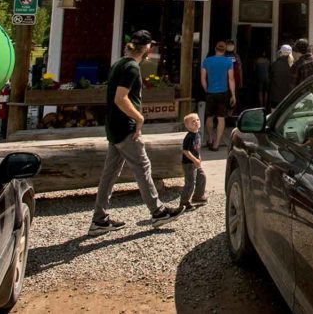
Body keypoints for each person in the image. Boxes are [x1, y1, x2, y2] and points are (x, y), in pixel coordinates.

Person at [89, 30, 183, 236]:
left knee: (110, 173)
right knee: (142, 167)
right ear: (147, 47)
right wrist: (139, 118)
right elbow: (120, 98)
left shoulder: (120, 63)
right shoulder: (131, 68)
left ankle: (99, 219)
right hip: (126, 127)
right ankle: (158, 212)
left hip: (114, 125)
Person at [201, 41, 236, 150]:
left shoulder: (207, 61)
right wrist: (233, 94)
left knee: (209, 117)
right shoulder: (228, 62)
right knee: (221, 118)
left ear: (215, 49)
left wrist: (206, 89)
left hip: (211, 92)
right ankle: (217, 144)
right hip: (223, 93)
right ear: (225, 50)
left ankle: (210, 138)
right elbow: (231, 79)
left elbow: (203, 79)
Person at [179, 113, 207, 211]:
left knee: (202, 176)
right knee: (190, 183)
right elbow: (185, 151)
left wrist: (199, 157)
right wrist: (194, 160)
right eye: (193, 122)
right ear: (187, 126)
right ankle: (184, 203)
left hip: (195, 162)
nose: (196, 122)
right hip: (189, 164)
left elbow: (196, 149)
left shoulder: (197, 134)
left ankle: (198, 196)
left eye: (197, 120)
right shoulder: (189, 137)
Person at [269, 44, 293, 109]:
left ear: (280, 53)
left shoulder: (275, 64)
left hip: (276, 99)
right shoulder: (293, 66)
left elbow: (269, 80)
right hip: (289, 99)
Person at [225, 40, 244, 109]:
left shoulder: (236, 56)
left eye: (231, 44)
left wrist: (241, 82)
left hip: (235, 81)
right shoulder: (223, 56)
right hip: (225, 82)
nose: (230, 46)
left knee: (234, 97)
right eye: (228, 44)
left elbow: (240, 69)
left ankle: (232, 112)